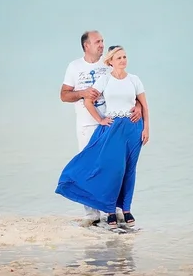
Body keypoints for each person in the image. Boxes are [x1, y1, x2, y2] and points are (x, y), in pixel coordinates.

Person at [55, 45, 150, 228]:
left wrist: (146, 129)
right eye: (119, 58)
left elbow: (144, 105)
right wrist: (100, 119)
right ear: (111, 61)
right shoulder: (105, 79)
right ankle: (109, 210)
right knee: (115, 170)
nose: (123, 60)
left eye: (124, 57)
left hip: (133, 129)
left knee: (130, 170)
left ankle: (126, 208)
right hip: (114, 127)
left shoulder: (134, 79)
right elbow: (88, 100)